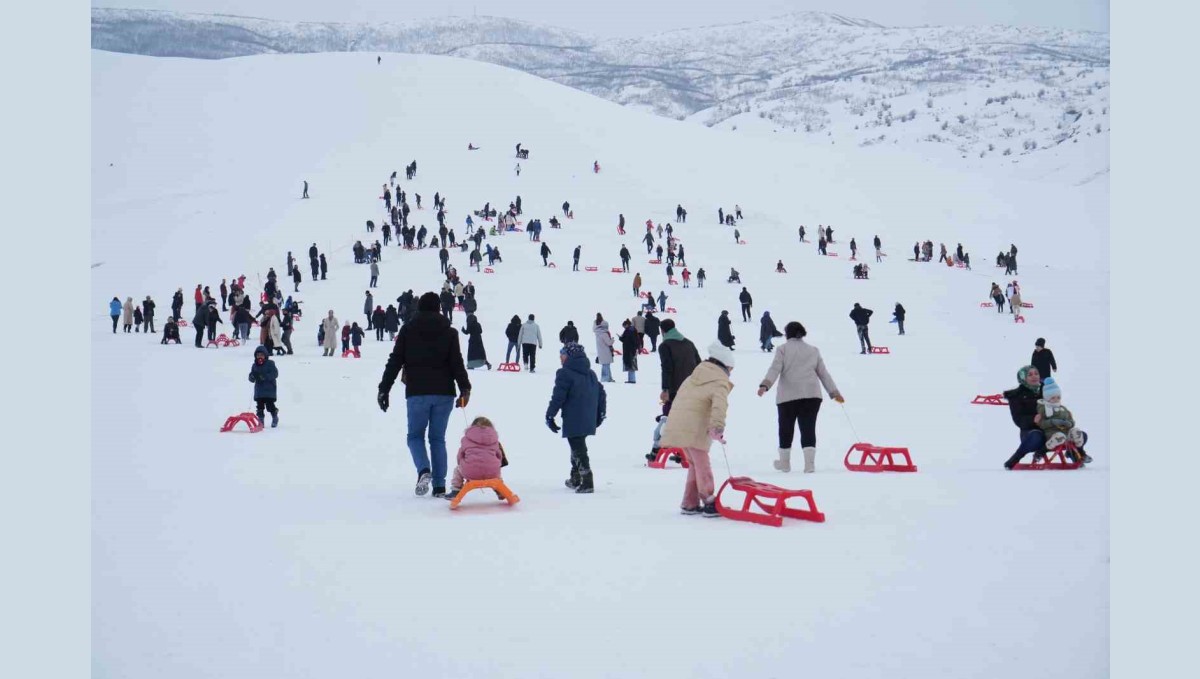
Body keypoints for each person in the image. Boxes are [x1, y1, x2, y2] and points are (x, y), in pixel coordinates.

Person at [377, 292, 472, 497]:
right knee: (437, 438)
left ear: (419, 308)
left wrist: (384, 388)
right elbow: (457, 362)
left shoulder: (408, 330)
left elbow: (395, 361)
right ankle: (439, 486)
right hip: (444, 393)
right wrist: (465, 388)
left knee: (415, 436)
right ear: (439, 308)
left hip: (417, 392)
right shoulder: (450, 332)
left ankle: (423, 470)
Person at [659, 342, 735, 516]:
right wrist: (717, 427)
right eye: (731, 369)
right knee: (702, 465)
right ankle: (709, 501)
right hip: (695, 427)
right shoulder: (719, 381)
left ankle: (689, 502)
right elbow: (719, 406)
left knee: (695, 464)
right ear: (725, 366)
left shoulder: (692, 377)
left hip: (679, 424)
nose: (731, 373)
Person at [756, 322, 843, 473]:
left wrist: (765, 385)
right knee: (808, 428)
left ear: (787, 334)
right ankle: (809, 465)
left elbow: (775, 368)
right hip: (812, 395)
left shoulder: (783, 349)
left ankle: (785, 463)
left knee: (786, 428)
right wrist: (834, 392)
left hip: (788, 396)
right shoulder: (813, 350)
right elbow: (823, 373)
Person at [546, 342, 607, 494]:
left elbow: (558, 397)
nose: (560, 357)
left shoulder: (565, 373)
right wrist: (600, 413)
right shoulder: (590, 373)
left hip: (574, 417)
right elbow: (601, 394)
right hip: (588, 417)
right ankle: (575, 478)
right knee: (577, 446)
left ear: (569, 356)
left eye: (562, 354)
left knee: (578, 448)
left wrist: (550, 415)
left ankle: (587, 481)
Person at [444, 416, 507, 501]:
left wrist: (461, 463)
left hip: (470, 472)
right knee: (496, 469)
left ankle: (456, 490)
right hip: (492, 473)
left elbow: (460, 455)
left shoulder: (466, 439)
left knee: (457, 470)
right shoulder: (494, 440)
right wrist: (496, 464)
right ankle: (500, 490)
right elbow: (499, 455)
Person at [1036, 377, 1092, 462]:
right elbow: (1041, 424)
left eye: (1058, 397)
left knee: (1076, 431)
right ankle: (1041, 452)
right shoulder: (1044, 410)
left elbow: (1071, 421)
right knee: (1060, 436)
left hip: (1066, 434)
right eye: (1053, 398)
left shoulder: (1063, 409)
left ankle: (1081, 453)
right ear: (1047, 398)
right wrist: (1053, 422)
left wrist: (1070, 423)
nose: (1056, 400)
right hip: (1052, 435)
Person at [1003, 366, 1048, 469]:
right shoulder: (1016, 396)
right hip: (1030, 432)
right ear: (1023, 378)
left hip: (1051, 428)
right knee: (1035, 436)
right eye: (1030, 375)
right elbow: (1018, 420)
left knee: (1078, 434)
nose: (1034, 376)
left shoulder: (1047, 391)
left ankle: (1077, 455)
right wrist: (1033, 419)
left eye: (1036, 373)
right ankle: (1015, 458)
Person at [657, 318, 701, 411]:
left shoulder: (665, 346)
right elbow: (699, 364)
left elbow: (667, 368)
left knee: (673, 415)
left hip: (675, 389)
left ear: (662, 331)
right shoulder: (689, 343)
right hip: (692, 386)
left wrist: (665, 389)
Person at [248, 345, 280, 428]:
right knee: (260, 407)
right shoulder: (254, 365)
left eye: (262, 355)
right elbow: (251, 376)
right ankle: (261, 420)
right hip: (259, 390)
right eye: (258, 355)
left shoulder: (270, 363)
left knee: (270, 406)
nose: (260, 357)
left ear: (265, 355)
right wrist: (252, 377)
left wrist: (265, 377)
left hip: (269, 389)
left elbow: (275, 373)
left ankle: (275, 416)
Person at [593, 315, 616, 383]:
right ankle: (605, 379)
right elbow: (609, 343)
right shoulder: (604, 333)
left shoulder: (597, 333)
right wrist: (612, 340)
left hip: (601, 351)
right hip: (606, 351)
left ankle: (608, 378)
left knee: (605, 365)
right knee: (606, 366)